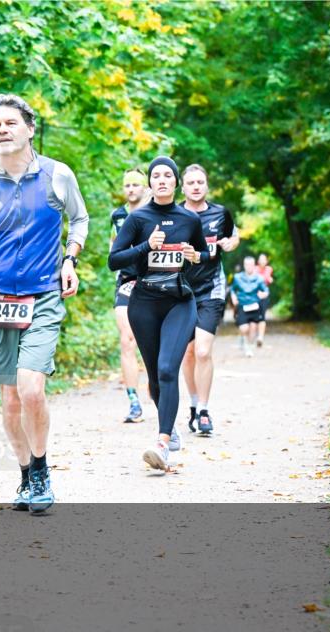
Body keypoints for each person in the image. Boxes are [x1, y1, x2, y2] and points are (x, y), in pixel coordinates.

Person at [0, 94, 89, 513]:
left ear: (30, 128)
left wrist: (70, 258)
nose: (3, 130)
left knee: (31, 388)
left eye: (11, 123)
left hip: (43, 294)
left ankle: (42, 471)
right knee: (10, 399)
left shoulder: (56, 175)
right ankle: (26, 473)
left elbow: (79, 219)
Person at [109, 156, 208, 472]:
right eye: (156, 176)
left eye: (168, 175)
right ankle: (169, 424)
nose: (162, 180)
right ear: (150, 183)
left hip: (179, 302)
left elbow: (205, 254)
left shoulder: (189, 219)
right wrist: (146, 247)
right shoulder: (137, 219)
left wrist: (195, 256)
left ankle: (162, 443)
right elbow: (114, 260)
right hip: (144, 304)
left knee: (167, 369)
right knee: (154, 377)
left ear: (176, 182)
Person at [178, 164, 239, 436]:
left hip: (211, 288)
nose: (196, 186)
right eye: (190, 182)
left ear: (207, 186)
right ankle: (193, 405)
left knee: (203, 351)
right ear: (183, 187)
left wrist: (231, 243)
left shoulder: (220, 213)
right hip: (180, 290)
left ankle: (204, 410)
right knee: (188, 353)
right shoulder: (174, 214)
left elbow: (234, 234)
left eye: (200, 182)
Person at [110, 169, 150, 423]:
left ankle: (156, 384)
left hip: (153, 280)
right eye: (127, 185)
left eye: (136, 184)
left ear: (145, 187)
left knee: (153, 342)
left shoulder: (156, 212)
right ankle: (134, 401)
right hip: (126, 281)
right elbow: (113, 247)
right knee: (127, 340)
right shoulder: (118, 215)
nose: (131, 189)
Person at [231, 256, 269, 357]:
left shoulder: (259, 279)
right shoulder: (237, 277)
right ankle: (244, 339)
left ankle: (248, 347)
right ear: (244, 265)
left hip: (255, 306)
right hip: (242, 305)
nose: (249, 267)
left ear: (254, 265)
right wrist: (234, 297)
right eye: (247, 265)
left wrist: (264, 294)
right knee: (244, 328)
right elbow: (233, 289)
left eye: (251, 265)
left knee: (253, 329)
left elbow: (266, 290)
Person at [255, 253, 274, 346]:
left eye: (264, 259)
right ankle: (254, 335)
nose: (262, 261)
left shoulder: (269, 269)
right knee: (254, 316)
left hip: (264, 295)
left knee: (262, 316)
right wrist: (268, 279)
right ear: (258, 261)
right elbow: (265, 279)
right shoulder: (254, 269)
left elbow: (267, 279)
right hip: (254, 295)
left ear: (266, 261)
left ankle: (260, 337)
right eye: (261, 259)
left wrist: (268, 279)